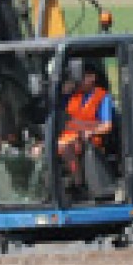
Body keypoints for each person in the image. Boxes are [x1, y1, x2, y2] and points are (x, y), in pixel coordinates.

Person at [57, 59, 115, 193]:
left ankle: (78, 185)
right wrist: (63, 92)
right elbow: (58, 112)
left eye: (80, 78)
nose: (78, 82)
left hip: (89, 139)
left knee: (65, 148)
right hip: (68, 136)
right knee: (39, 149)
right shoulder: (73, 96)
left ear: (92, 77)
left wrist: (91, 132)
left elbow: (107, 125)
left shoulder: (102, 97)